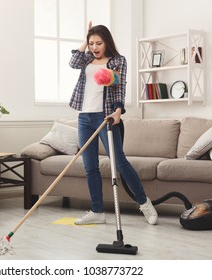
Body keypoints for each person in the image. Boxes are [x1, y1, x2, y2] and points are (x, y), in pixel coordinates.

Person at [69, 22, 158, 225]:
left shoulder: (117, 61)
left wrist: (118, 112)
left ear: (106, 42)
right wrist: (85, 39)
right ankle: (97, 211)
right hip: (84, 117)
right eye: (91, 43)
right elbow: (73, 62)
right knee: (90, 166)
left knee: (119, 162)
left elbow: (119, 88)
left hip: (106, 116)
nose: (94, 47)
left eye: (98, 43)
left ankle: (144, 204)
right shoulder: (86, 59)